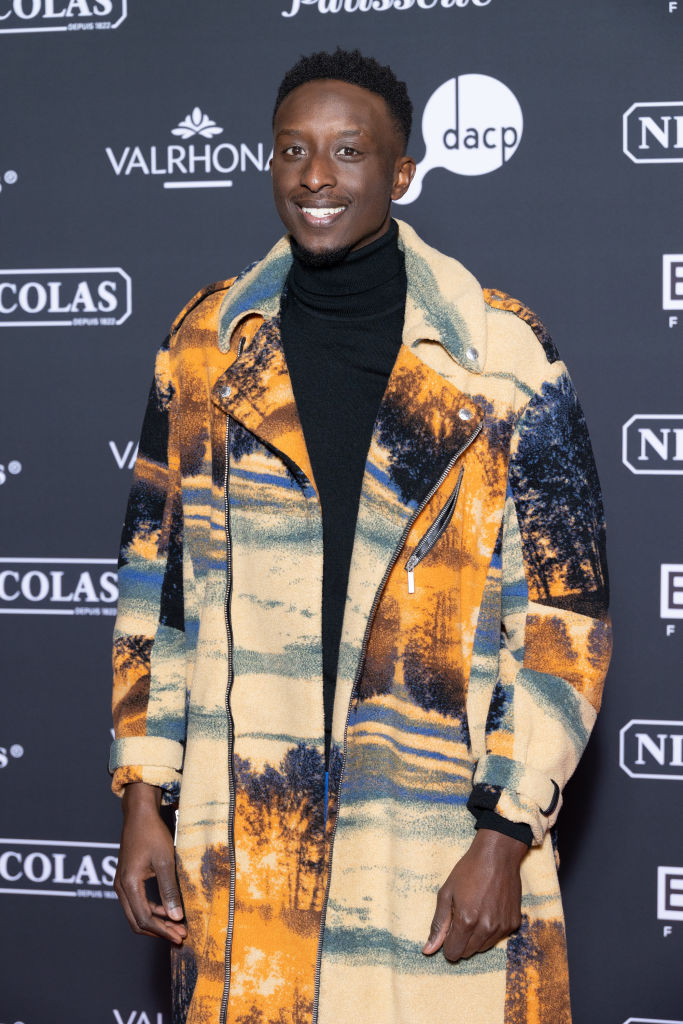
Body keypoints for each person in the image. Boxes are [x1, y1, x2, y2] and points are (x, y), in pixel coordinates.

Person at [110, 48, 612, 1024]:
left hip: (433, 838)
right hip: (248, 843)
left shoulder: (497, 351)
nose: (314, 176)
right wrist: (142, 794)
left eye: (347, 151)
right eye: (292, 149)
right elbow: (153, 593)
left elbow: (565, 610)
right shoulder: (205, 345)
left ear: (401, 173)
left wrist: (505, 833)